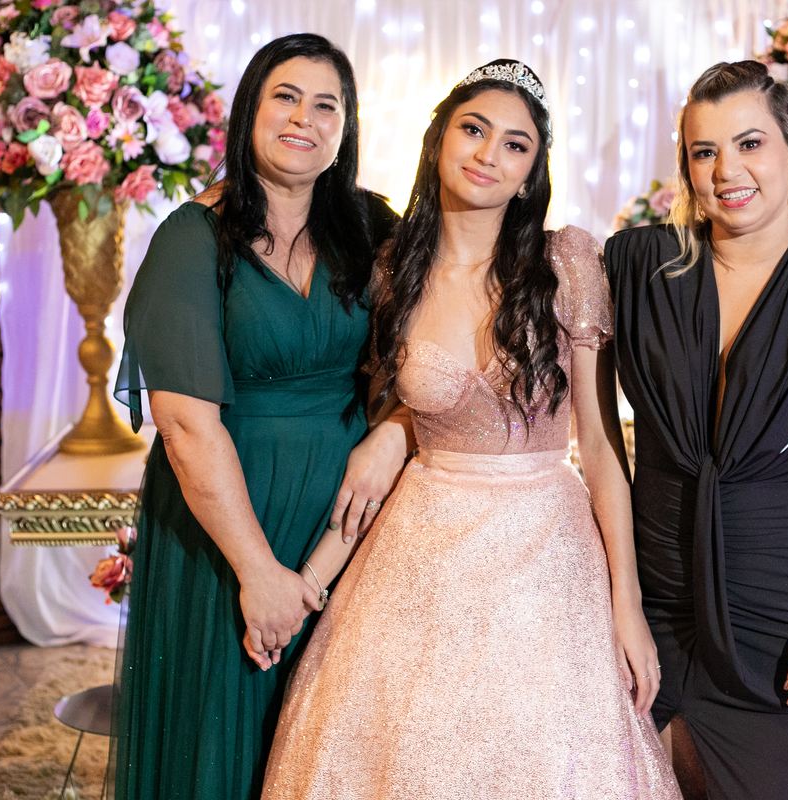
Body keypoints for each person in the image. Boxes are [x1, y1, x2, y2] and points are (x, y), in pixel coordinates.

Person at [261, 60, 681, 799]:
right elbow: (389, 429)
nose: (490, 154)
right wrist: (307, 583)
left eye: (516, 145)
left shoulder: (566, 260)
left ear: (530, 174)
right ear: (439, 143)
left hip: (547, 550)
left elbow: (601, 448)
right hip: (421, 548)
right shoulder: (392, 271)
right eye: (474, 129)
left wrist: (628, 606)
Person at [111, 34, 406, 800]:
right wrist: (258, 573)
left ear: (345, 127)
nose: (304, 118)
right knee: (227, 736)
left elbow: (445, 344)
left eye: (326, 105)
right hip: (228, 529)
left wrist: (395, 432)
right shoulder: (191, 238)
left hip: (345, 524)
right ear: (249, 111)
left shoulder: (372, 226)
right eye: (286, 97)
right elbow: (185, 426)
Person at [604, 60, 788, 800]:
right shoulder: (637, 267)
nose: (726, 171)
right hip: (648, 613)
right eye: (704, 151)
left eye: (749, 144)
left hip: (782, 626)